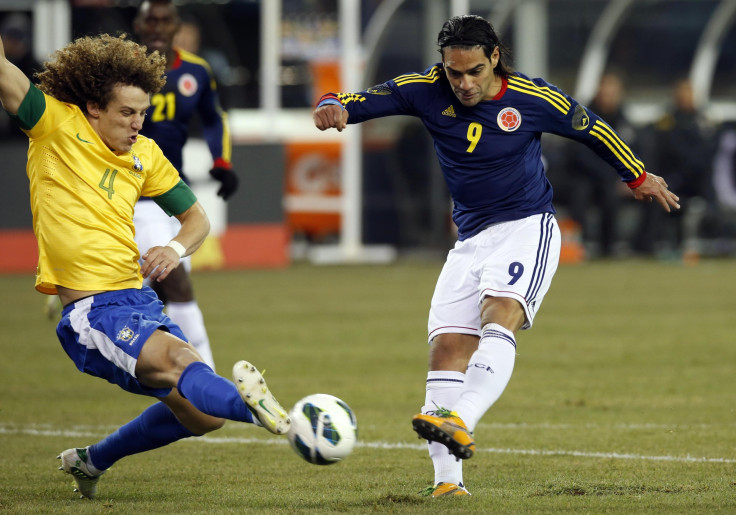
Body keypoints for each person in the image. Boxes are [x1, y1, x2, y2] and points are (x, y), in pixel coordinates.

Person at [313, 15, 679, 497]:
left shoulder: (534, 98)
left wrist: (637, 175)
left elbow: (592, 128)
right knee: (445, 349)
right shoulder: (425, 87)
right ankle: (448, 485)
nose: (463, 83)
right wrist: (330, 104)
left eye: (474, 72)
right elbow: (361, 99)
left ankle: (460, 418)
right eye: (454, 72)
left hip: (526, 227)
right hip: (468, 241)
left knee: (498, 316)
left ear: (495, 60)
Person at [0, 32, 290, 500]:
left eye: (143, 113)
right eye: (127, 113)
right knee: (183, 364)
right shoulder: (52, 126)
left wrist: (174, 249)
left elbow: (196, 219)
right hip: (90, 312)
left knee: (202, 415)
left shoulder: (145, 154)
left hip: (137, 300)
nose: (137, 124)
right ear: (94, 107)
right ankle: (267, 413)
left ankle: (92, 461)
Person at [129, 0, 239, 370]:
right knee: (175, 282)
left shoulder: (196, 71)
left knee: (160, 291)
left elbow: (213, 118)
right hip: (134, 195)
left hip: (175, 193)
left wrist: (221, 162)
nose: (158, 28)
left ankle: (157, 367)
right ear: (139, 25)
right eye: (152, 21)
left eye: (165, 21)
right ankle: (205, 374)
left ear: (176, 26)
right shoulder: (119, 68)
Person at [632, 78, 718, 257]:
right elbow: (667, 149)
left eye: (689, 92)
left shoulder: (704, 120)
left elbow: (710, 149)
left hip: (698, 177)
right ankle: (647, 246)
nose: (685, 97)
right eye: (682, 92)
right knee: (658, 194)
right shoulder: (666, 121)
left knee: (713, 198)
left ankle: (718, 244)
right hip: (673, 175)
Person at [566, 71, 637, 257]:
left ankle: (610, 246)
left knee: (612, 195)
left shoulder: (624, 119)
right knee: (581, 191)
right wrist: (612, 175)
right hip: (586, 175)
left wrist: (628, 178)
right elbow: (579, 154)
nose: (608, 95)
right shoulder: (582, 115)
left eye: (612, 91)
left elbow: (633, 150)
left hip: (612, 179)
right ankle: (581, 244)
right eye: (605, 90)